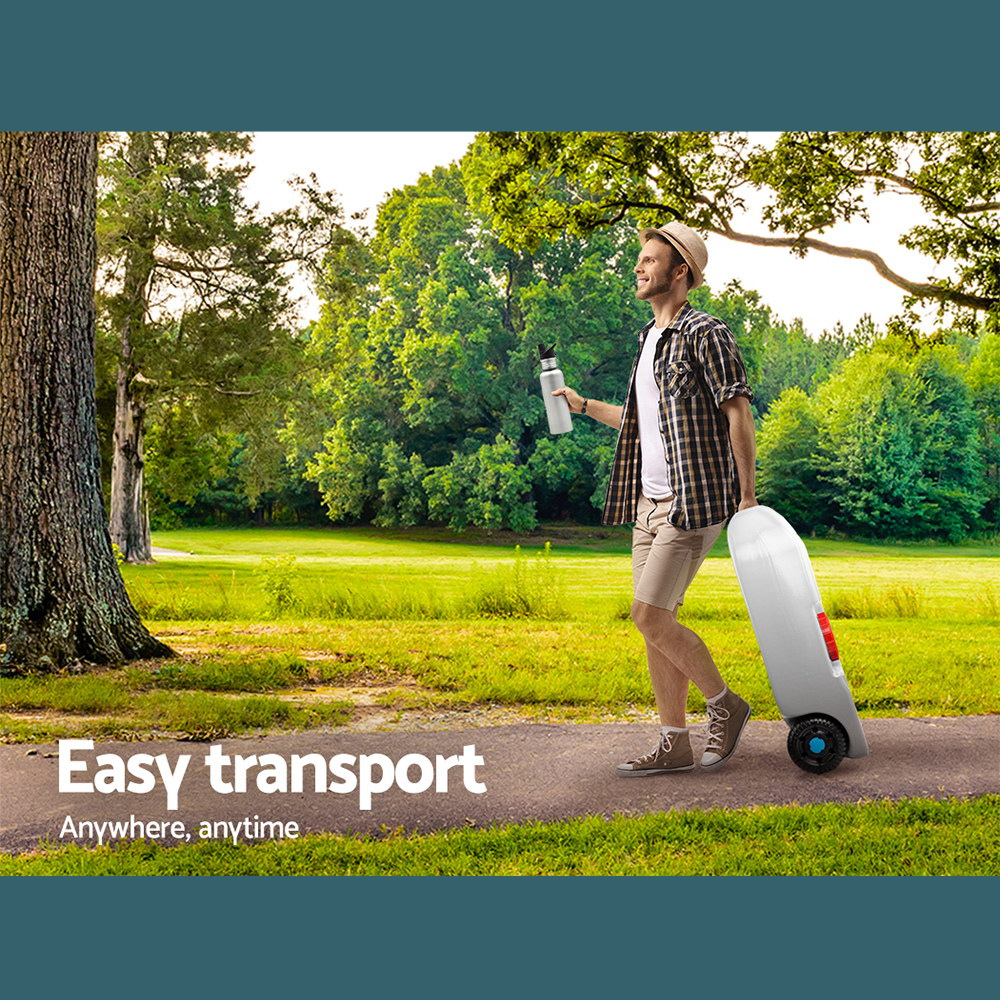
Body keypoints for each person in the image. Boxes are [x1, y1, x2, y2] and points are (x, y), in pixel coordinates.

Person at [553, 221, 758, 774]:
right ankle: (676, 742)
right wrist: (583, 405)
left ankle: (726, 706)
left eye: (649, 260)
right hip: (649, 503)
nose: (639, 268)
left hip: (695, 500)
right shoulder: (648, 340)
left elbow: (737, 410)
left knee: (647, 616)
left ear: (680, 271)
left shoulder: (705, 333)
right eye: (639, 259)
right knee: (657, 622)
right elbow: (641, 424)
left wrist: (746, 496)